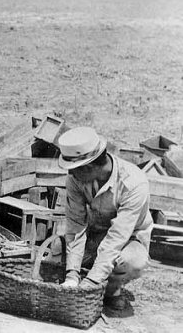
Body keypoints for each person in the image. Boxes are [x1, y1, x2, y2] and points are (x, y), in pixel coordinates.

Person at [58, 127, 153, 311]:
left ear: (89, 166)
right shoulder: (76, 180)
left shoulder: (133, 183)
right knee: (56, 254)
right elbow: (76, 225)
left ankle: (110, 290)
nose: (70, 174)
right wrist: (71, 276)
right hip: (94, 236)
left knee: (130, 261)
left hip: (128, 240)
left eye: (74, 170)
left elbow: (117, 237)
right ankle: (89, 280)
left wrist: (91, 282)